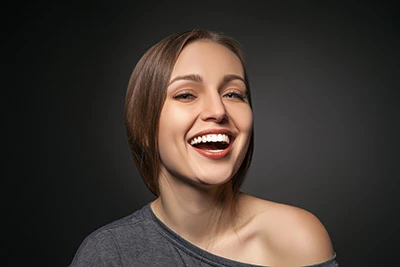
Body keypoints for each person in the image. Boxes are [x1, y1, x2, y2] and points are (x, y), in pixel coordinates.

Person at [69, 29, 338, 267]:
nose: (218, 110)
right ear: (143, 127)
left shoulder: (296, 237)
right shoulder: (108, 254)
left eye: (233, 94)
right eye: (186, 94)